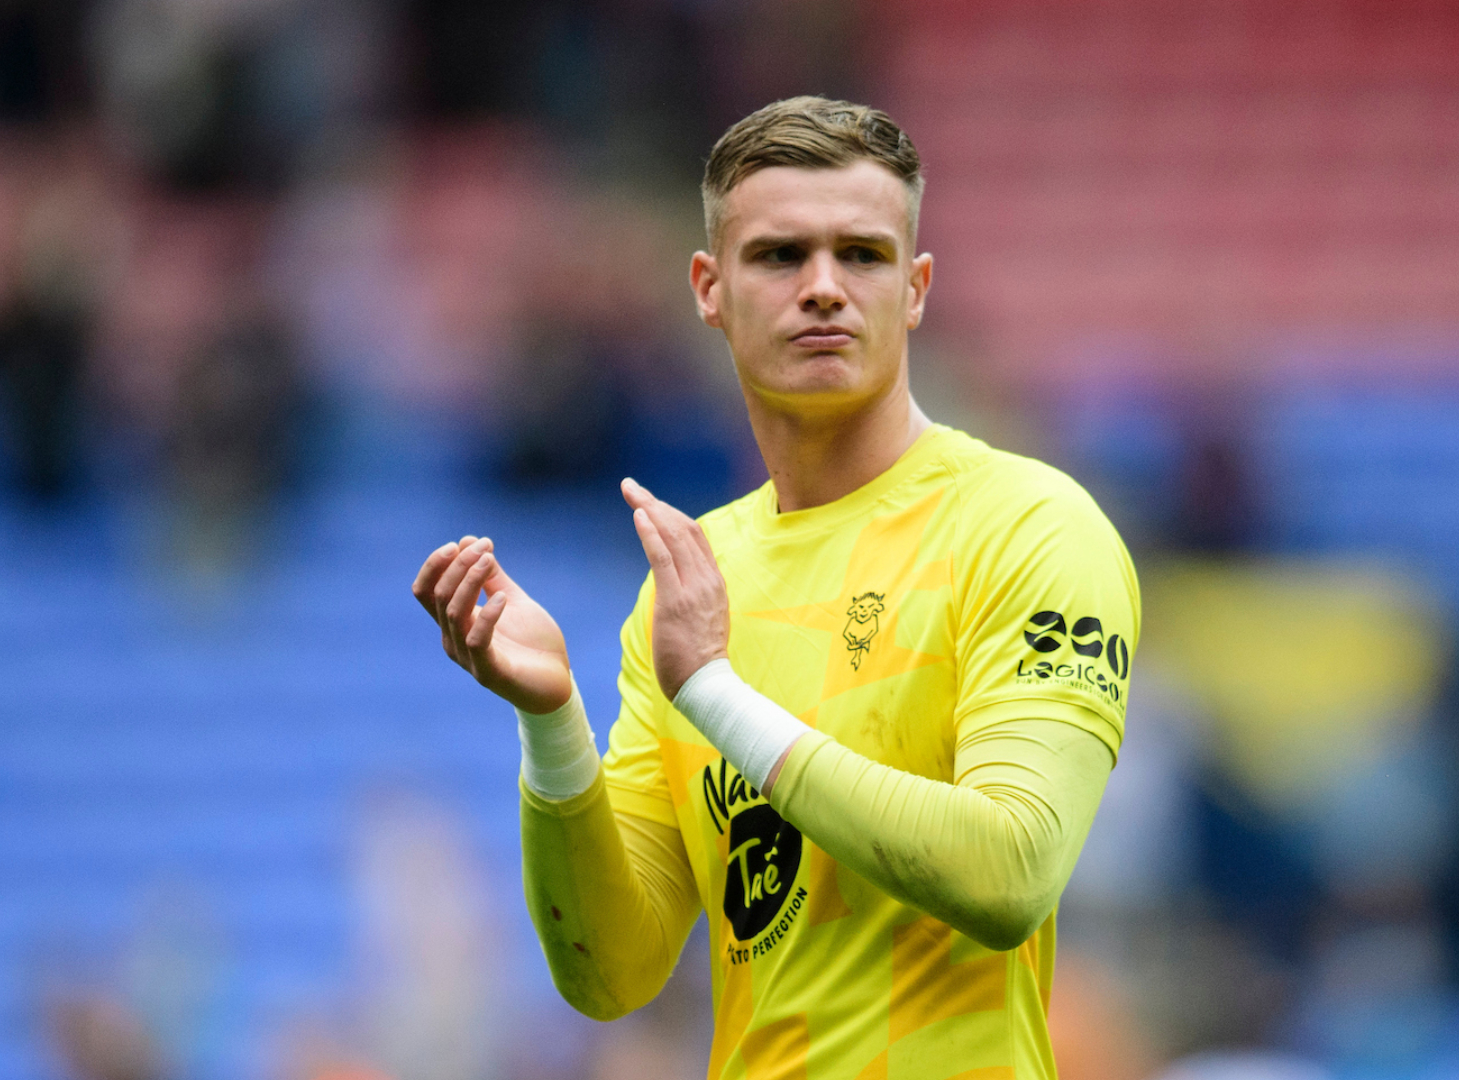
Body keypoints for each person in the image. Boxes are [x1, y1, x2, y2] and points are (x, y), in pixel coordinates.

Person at [412, 97, 1140, 1079]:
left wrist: (715, 695)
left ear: (917, 289)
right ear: (709, 288)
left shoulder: (1026, 527)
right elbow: (612, 975)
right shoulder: (691, 589)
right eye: (781, 256)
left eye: (865, 255)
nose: (826, 288)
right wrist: (552, 726)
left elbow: (1010, 871)